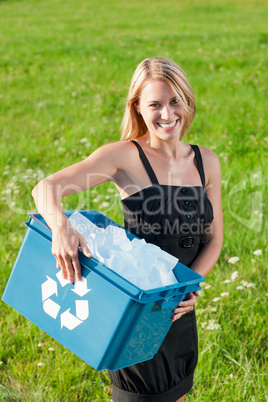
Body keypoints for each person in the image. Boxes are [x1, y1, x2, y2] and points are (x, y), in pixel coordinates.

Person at [32, 57, 223, 401]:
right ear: (137, 107)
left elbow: (214, 240)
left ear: (188, 101)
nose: (168, 114)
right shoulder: (124, 157)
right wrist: (60, 228)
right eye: (155, 104)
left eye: (175, 100)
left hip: (179, 311)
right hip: (136, 312)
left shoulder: (206, 161)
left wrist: (190, 287)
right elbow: (45, 188)